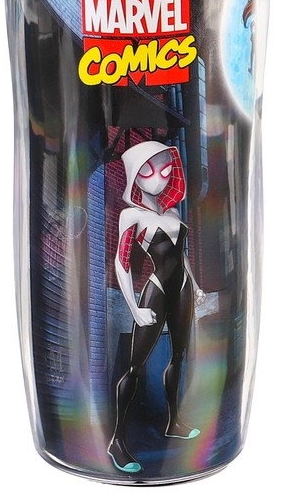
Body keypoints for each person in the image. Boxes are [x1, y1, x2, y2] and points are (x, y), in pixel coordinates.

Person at [107, 140, 206, 474]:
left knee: (179, 356)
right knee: (135, 367)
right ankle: (117, 441)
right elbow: (121, 263)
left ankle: (173, 421)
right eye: (148, 170)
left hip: (182, 289)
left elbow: (182, 256)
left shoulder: (173, 213)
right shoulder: (131, 215)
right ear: (135, 175)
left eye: (165, 169)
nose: (159, 178)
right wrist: (134, 309)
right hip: (157, 290)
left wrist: (196, 285)